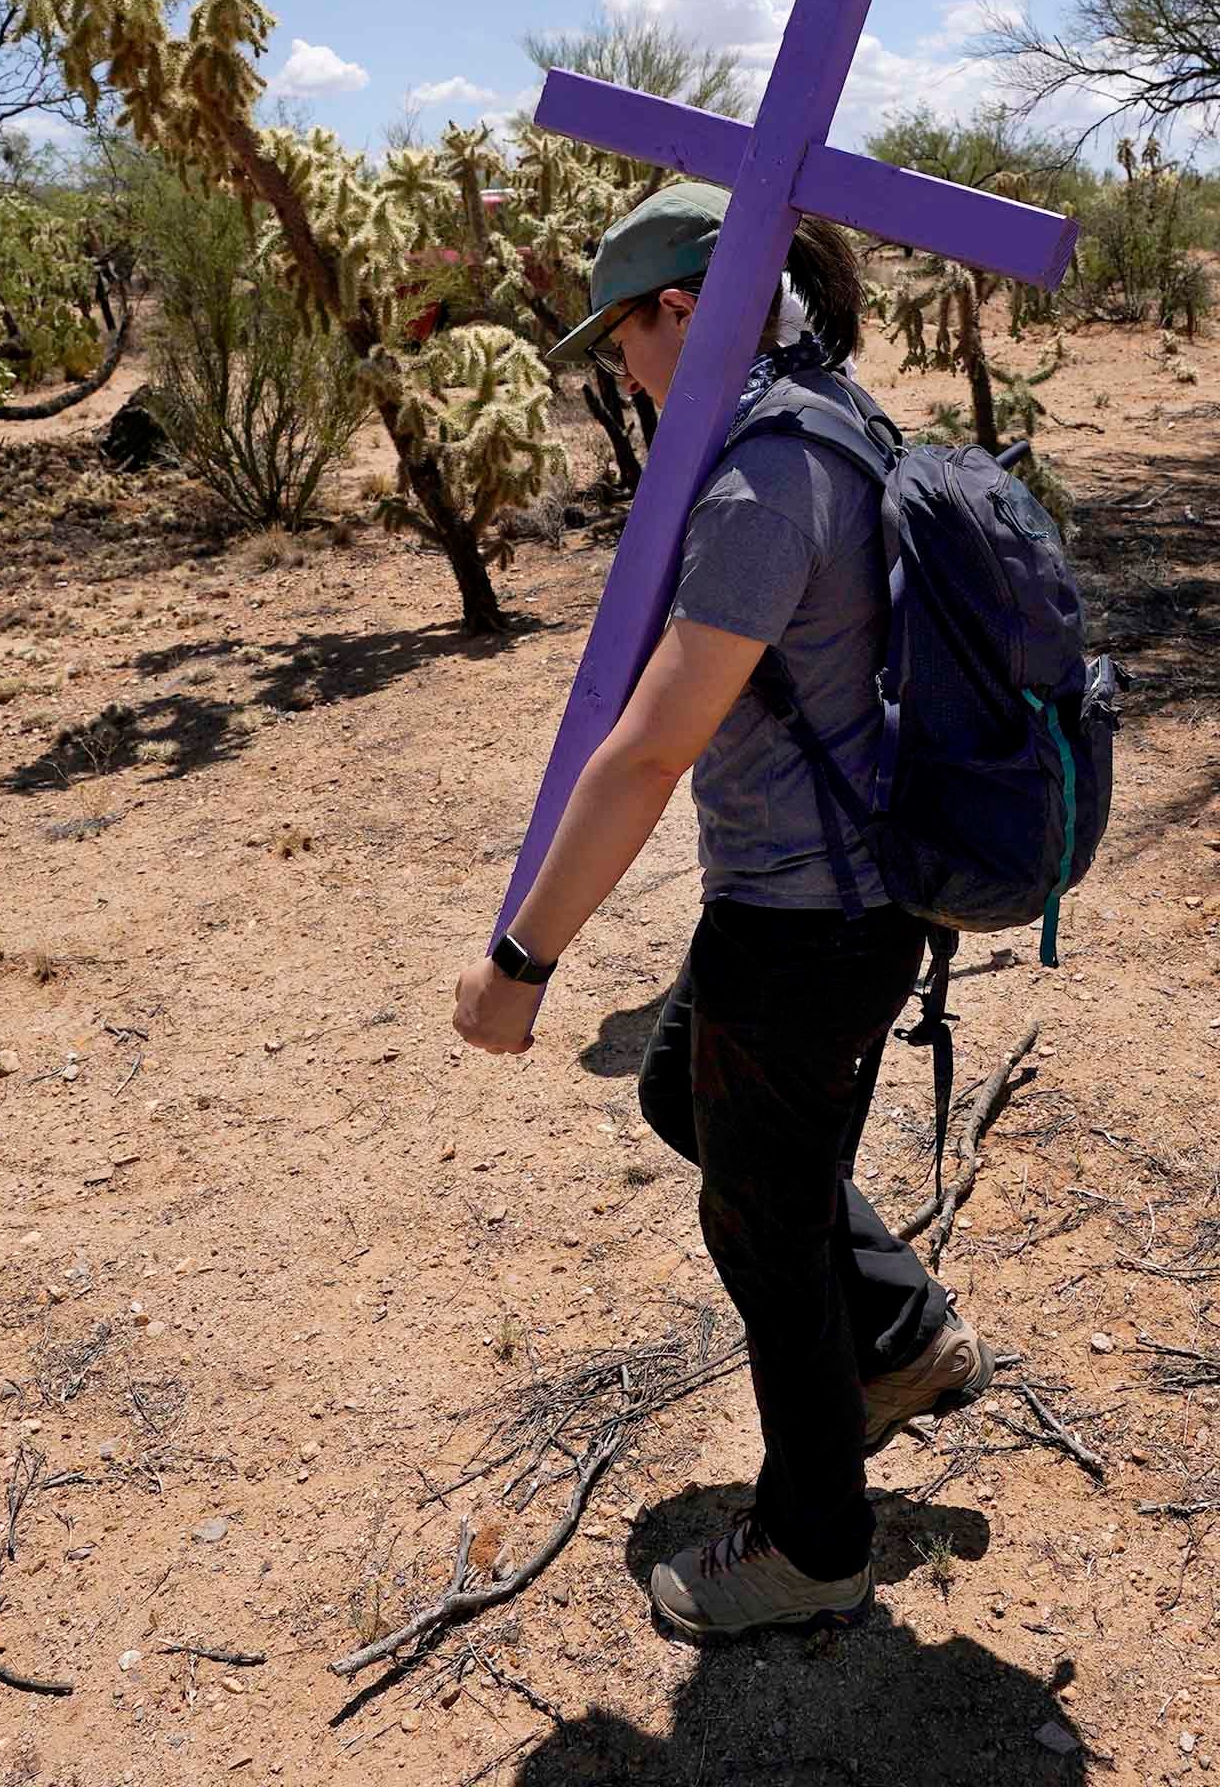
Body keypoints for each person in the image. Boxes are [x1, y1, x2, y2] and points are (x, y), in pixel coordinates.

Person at [449, 184, 983, 1641]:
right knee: (689, 1090)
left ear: (683, 308)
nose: (618, 369)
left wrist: (522, 959)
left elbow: (650, 748)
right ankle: (897, 1335)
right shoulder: (838, 412)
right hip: (840, 893)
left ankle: (814, 1545)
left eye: (622, 333)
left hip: (810, 920)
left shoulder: (763, 476)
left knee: (761, 1230)